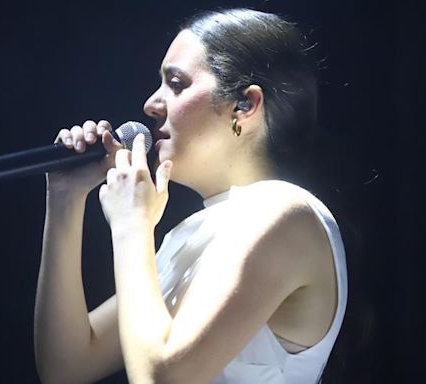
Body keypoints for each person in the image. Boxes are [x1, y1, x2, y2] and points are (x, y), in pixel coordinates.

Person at [34, 8, 347, 384]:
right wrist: (65, 199)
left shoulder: (283, 212)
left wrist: (132, 223)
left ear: (244, 105)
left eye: (176, 84)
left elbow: (160, 378)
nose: (151, 104)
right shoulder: (196, 233)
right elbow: (66, 367)